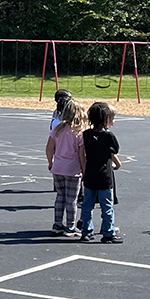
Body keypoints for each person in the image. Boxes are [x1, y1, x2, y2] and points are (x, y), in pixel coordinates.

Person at [79, 102, 122, 243]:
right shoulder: (109, 137)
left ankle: (86, 231)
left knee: (87, 206)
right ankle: (108, 232)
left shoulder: (86, 135)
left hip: (90, 174)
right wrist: (117, 162)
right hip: (105, 176)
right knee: (107, 207)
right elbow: (114, 150)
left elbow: (83, 154)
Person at [46, 99, 87, 236]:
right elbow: (82, 154)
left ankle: (57, 223)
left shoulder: (57, 129)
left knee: (60, 197)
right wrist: (84, 168)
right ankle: (70, 225)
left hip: (58, 167)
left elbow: (49, 148)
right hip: (72, 168)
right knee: (72, 199)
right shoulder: (79, 132)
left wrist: (50, 162)